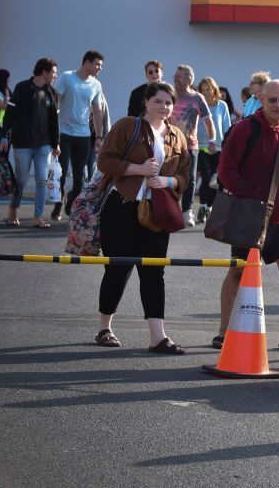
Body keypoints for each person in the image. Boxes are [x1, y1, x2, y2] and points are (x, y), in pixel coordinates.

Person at [215, 79, 279, 352]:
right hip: (249, 217)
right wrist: (252, 199)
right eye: (272, 100)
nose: (278, 105)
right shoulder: (244, 129)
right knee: (238, 272)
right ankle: (224, 332)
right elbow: (226, 172)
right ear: (260, 99)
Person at [94, 81, 191, 354]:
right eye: (158, 101)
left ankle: (157, 337)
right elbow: (105, 161)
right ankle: (104, 327)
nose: (164, 107)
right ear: (146, 102)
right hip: (121, 208)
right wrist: (139, 168)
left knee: (154, 272)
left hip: (158, 212)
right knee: (118, 268)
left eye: (169, 102)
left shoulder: (177, 136)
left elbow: (186, 175)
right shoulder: (128, 126)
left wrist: (167, 180)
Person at [0, 59, 59, 228]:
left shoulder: (51, 92)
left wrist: (56, 143)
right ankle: (13, 211)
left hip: (44, 144)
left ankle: (38, 217)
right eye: (53, 72)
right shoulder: (22, 87)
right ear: (44, 72)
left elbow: (54, 120)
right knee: (21, 180)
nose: (55, 75)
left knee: (41, 180)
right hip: (22, 143)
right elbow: (9, 114)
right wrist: (4, 137)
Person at [52, 50, 105, 219]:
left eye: (101, 66)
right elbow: (56, 102)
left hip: (83, 135)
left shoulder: (96, 85)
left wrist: (98, 136)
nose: (99, 68)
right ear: (87, 62)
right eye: (97, 64)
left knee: (79, 178)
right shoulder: (67, 77)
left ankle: (71, 201)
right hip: (64, 133)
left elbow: (97, 111)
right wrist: (51, 128)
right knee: (61, 172)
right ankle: (58, 204)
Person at [167, 65, 217, 226]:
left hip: (190, 145)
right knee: (169, 177)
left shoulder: (197, 98)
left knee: (189, 178)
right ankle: (169, 209)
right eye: (175, 76)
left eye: (179, 76)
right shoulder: (168, 93)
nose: (175, 78)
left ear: (188, 79)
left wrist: (211, 141)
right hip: (168, 144)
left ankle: (186, 211)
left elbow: (208, 122)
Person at [195, 76, 231, 223]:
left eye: (208, 89)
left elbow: (227, 127)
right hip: (201, 147)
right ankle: (203, 207)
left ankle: (209, 208)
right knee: (205, 176)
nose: (206, 92)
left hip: (218, 148)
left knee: (213, 181)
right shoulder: (197, 105)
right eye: (203, 90)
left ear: (214, 89)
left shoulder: (222, 105)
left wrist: (228, 146)